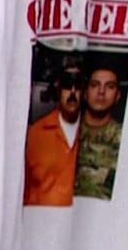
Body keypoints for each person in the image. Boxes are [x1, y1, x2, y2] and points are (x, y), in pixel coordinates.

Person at [23, 58, 83, 206]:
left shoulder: (94, 133)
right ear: (58, 88)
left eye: (78, 85)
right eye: (67, 84)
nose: (73, 92)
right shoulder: (35, 134)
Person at [75, 59, 126, 199]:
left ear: (117, 96)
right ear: (85, 93)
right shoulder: (64, 131)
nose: (101, 91)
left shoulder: (125, 138)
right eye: (94, 85)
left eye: (109, 86)